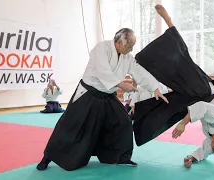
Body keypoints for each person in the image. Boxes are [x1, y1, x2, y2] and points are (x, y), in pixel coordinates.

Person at [36, 28, 169, 171]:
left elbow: (138, 71)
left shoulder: (127, 57)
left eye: (132, 46)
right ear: (118, 43)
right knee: (70, 125)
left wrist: (154, 87)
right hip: (88, 93)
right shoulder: (101, 48)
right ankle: (48, 157)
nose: (131, 50)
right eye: (129, 46)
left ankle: (121, 157)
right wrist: (121, 84)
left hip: (107, 95)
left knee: (123, 122)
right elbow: (102, 71)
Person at [132, 5, 214, 147]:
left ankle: (143, 122)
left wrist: (183, 123)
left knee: (170, 107)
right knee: (182, 59)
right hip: (202, 91)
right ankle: (142, 121)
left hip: (199, 95)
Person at [172, 93, 214, 168]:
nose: (211, 139)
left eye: (212, 141)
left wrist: (191, 158)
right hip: (205, 93)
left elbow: (205, 151)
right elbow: (202, 106)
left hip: (196, 100)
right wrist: (183, 123)